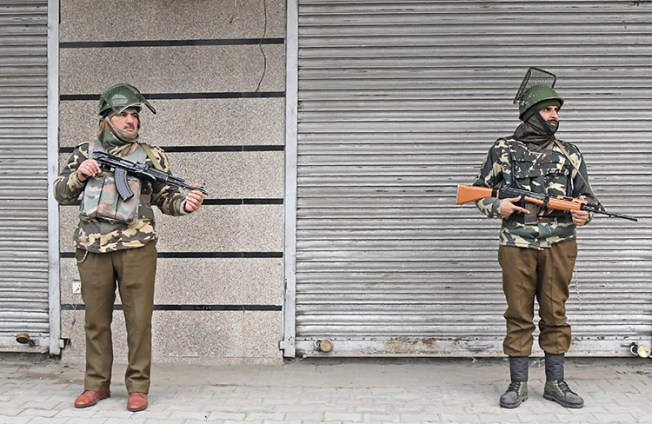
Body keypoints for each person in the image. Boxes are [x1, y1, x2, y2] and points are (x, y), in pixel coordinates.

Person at [53, 83, 205, 412]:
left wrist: (186, 204)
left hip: (138, 247)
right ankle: (96, 385)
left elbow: (167, 196)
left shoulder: (151, 155)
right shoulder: (84, 152)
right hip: (92, 247)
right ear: (106, 118)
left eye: (134, 114)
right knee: (96, 320)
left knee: (139, 320)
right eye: (123, 114)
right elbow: (61, 194)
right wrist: (80, 175)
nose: (130, 120)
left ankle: (138, 387)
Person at [472, 69, 595, 409]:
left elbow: (587, 199)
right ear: (530, 113)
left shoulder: (569, 153)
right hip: (517, 244)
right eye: (547, 110)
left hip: (560, 244)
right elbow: (477, 192)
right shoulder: (503, 150)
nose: (554, 116)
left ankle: (556, 383)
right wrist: (499, 205)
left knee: (555, 313)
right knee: (518, 313)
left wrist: (584, 213)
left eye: (557, 110)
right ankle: (518, 385)